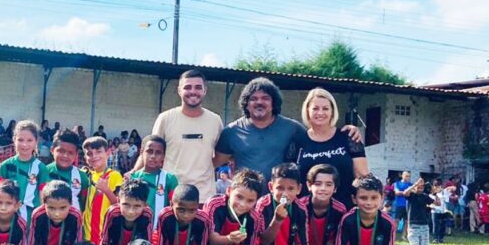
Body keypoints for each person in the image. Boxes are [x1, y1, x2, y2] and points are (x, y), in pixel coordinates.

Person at [216, 78, 364, 200]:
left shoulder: (293, 129)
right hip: (244, 202)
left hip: (280, 202)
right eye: (253, 99)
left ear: (274, 103)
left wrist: (350, 131)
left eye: (265, 98)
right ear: (246, 104)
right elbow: (213, 163)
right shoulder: (231, 131)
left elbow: (319, 141)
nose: (259, 102)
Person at [286, 88, 369, 209]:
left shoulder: (349, 137)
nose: (320, 113)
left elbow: (362, 176)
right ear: (307, 110)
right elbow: (288, 179)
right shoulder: (297, 140)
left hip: (344, 211)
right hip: (305, 213)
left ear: (332, 111)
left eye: (325, 108)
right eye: (315, 108)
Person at [152, 70, 224, 202]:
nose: (193, 91)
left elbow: (221, 155)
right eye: (187, 87)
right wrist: (134, 172)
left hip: (204, 197)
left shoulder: (215, 120)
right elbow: (151, 153)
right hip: (172, 195)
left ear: (205, 91)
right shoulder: (165, 119)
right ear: (179, 90)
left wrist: (204, 168)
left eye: (198, 87)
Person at [0, 120, 51, 222]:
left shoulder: (41, 168)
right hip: (8, 216)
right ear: (14, 140)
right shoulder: (6, 165)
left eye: (29, 140)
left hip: (32, 217)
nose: (24, 144)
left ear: (36, 142)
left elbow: (43, 194)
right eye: (20, 140)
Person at [99, 178, 153, 245]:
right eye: (126, 205)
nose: (130, 211)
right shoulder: (113, 213)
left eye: (137, 206)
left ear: (145, 205)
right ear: (118, 201)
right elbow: (104, 242)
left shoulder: (147, 215)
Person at [81, 135, 122, 245]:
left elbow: (120, 206)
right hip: (85, 234)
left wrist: (107, 190)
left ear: (108, 153)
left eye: (98, 152)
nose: (94, 156)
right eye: (89, 153)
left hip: (104, 235)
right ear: (85, 157)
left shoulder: (114, 176)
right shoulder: (85, 174)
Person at [129, 135, 178, 219]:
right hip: (137, 228)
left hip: (160, 229)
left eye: (158, 152)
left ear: (163, 156)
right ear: (141, 152)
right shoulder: (133, 177)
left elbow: (174, 207)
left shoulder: (170, 179)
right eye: (149, 151)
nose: (153, 156)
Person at [47, 129, 91, 208]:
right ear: (52, 150)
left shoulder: (82, 177)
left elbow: (84, 204)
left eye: (70, 153)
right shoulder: (44, 172)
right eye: (61, 151)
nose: (65, 156)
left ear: (76, 154)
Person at [403, 177, 432, 245]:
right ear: (415, 188)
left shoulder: (425, 196)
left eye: (422, 187)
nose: (420, 189)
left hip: (424, 224)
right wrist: (415, 184)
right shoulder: (412, 195)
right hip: (413, 225)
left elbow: (437, 203)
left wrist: (435, 193)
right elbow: (405, 193)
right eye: (418, 187)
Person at [391, 171, 413, 241]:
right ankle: (393, 236)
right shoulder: (396, 183)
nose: (408, 177)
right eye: (406, 176)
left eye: (409, 176)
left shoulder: (410, 184)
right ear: (402, 176)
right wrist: (406, 192)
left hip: (408, 205)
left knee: (406, 221)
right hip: (399, 205)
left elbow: (410, 194)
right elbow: (397, 193)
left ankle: (404, 236)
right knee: (396, 221)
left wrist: (403, 192)